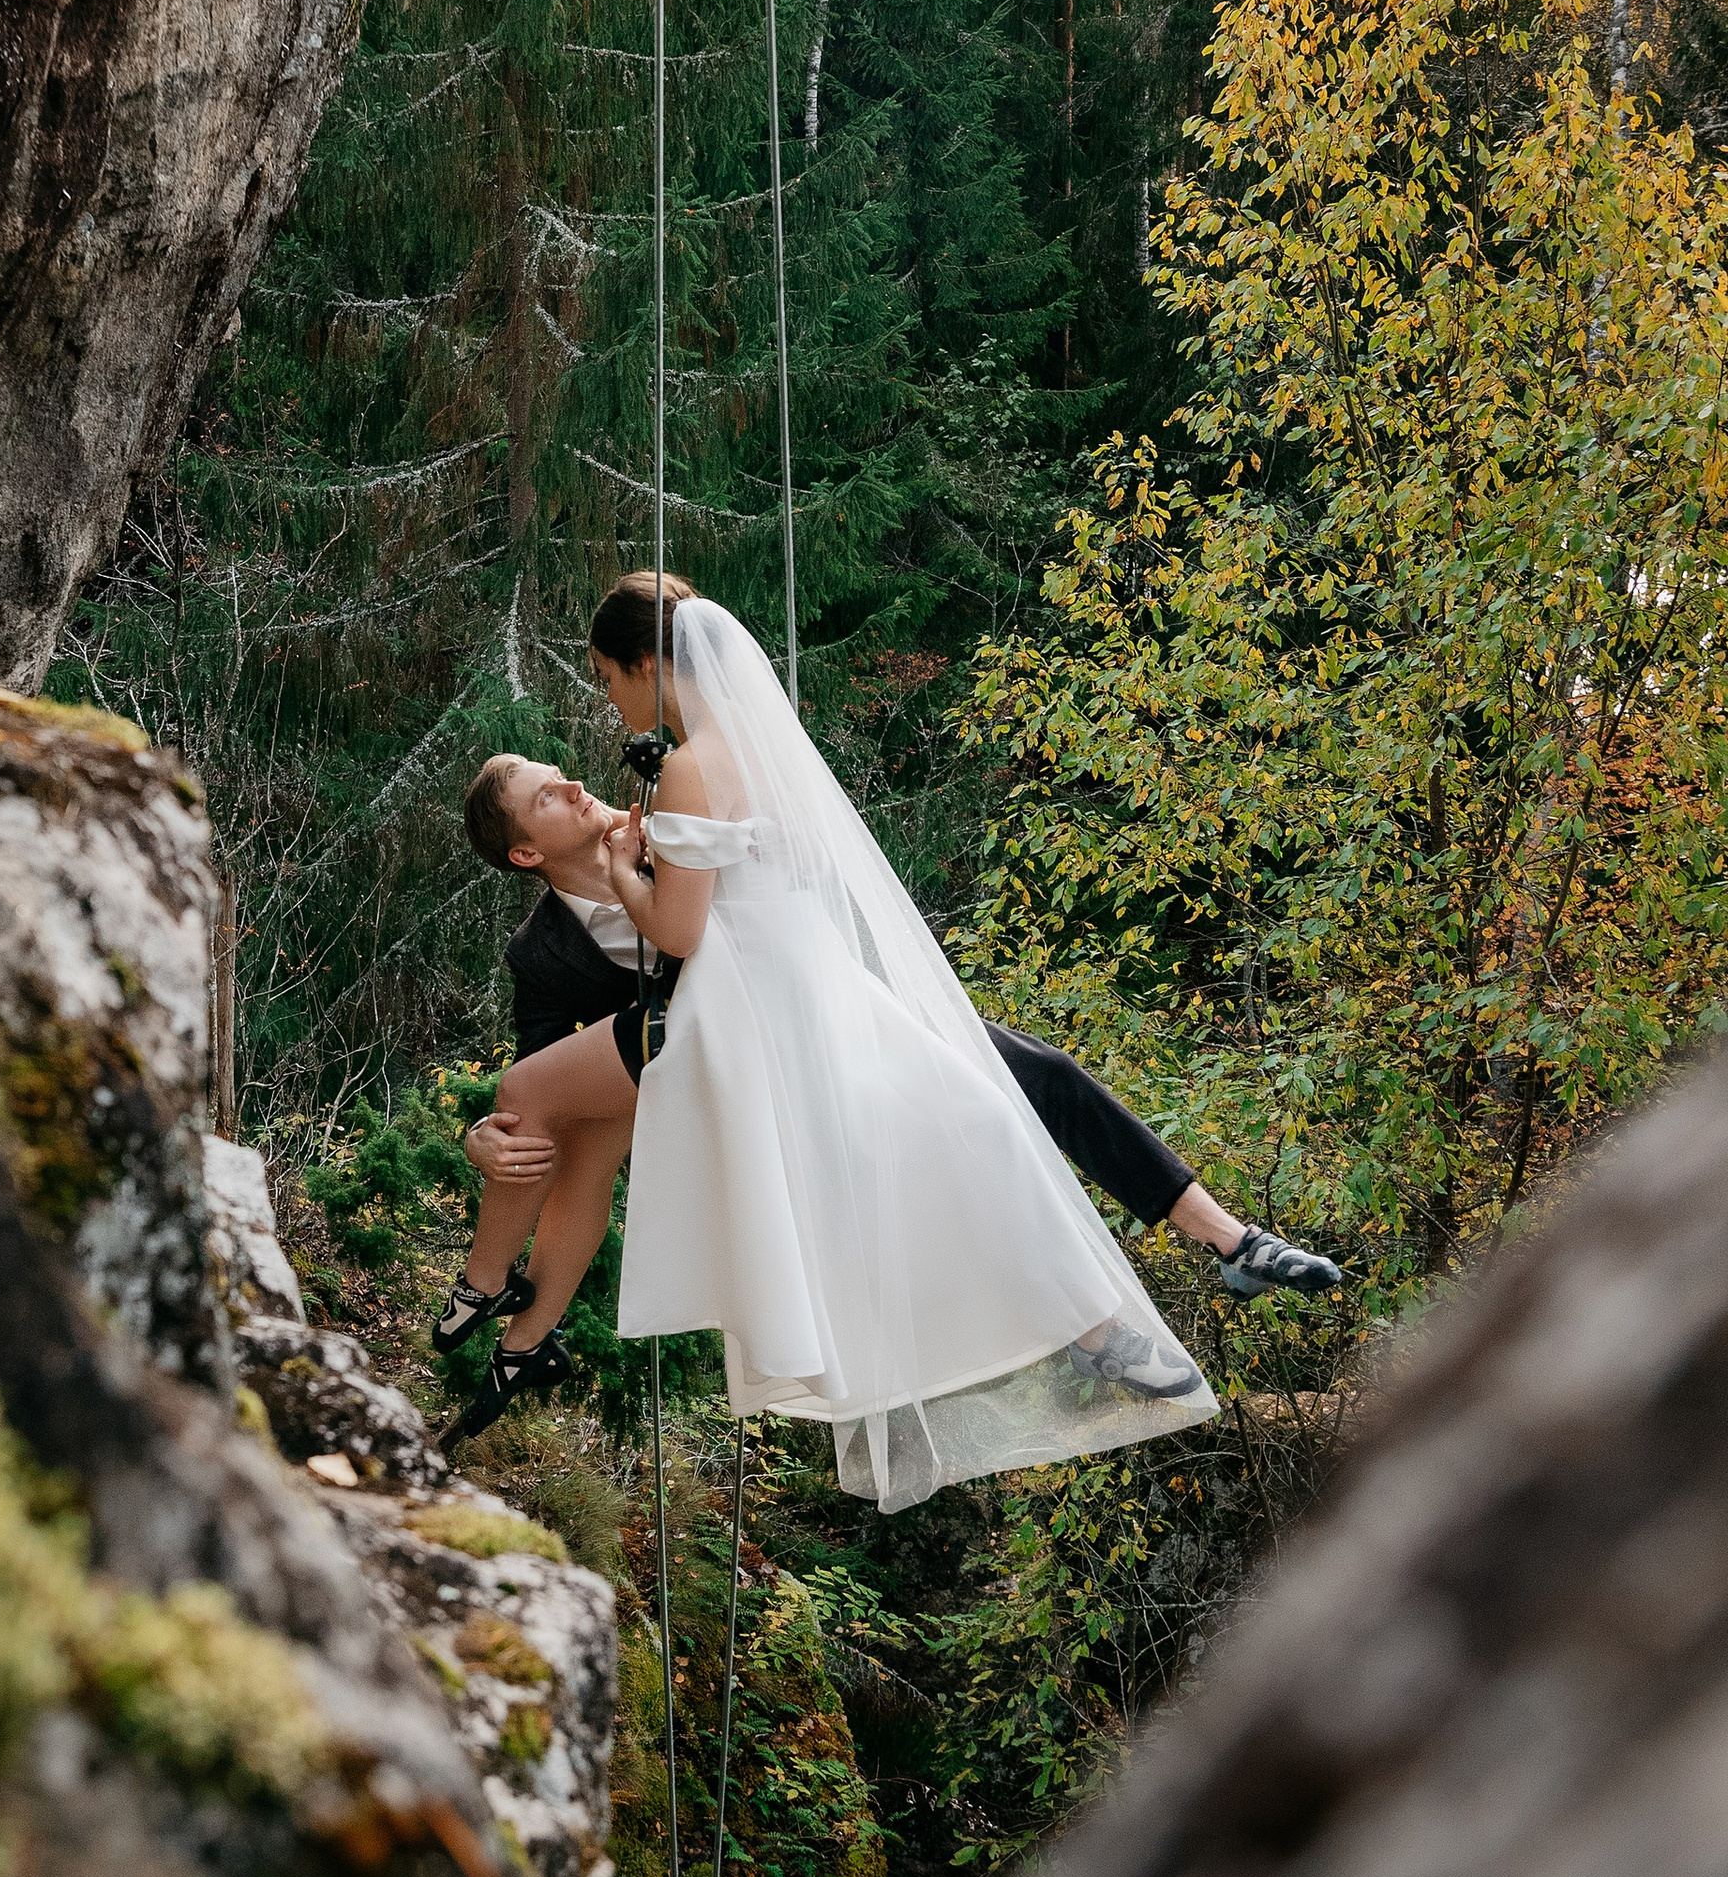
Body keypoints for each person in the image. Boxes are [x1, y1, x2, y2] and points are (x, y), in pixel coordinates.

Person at [439, 576, 1334, 1502]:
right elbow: (554, 1052)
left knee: (995, 1104)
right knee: (964, 1126)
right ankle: (515, 1324)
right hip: (779, 994)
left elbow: (680, 932)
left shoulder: (681, 772)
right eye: (550, 793)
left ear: (644, 664)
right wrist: (490, 1134)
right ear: (525, 853)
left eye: (607, 677)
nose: (607, 709)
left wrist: (633, 872)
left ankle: (491, 1298)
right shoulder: (740, 761)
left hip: (760, 1006)